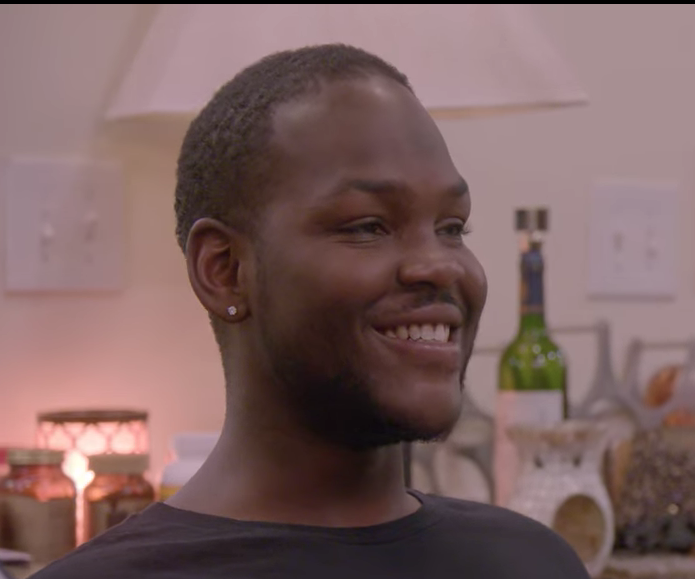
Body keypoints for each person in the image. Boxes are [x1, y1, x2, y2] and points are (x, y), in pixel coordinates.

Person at [32, 43, 590, 579]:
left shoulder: (534, 564)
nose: (441, 266)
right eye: (368, 226)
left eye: (451, 227)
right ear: (225, 269)